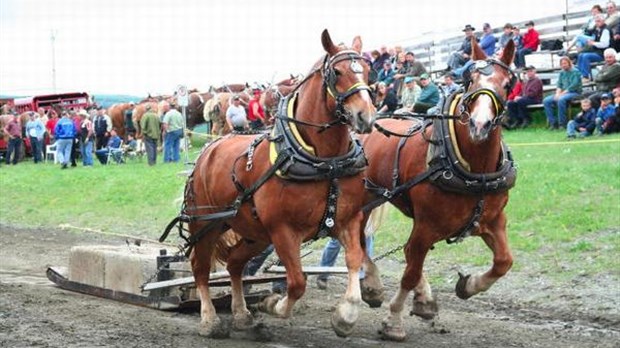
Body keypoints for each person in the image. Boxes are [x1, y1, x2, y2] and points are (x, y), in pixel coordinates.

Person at [315, 207, 385, 290]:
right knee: (335, 243)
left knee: (367, 241)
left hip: (365, 209)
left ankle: (362, 277)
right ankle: (323, 273)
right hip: (348, 211)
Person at [543, 57, 583, 129]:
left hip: (574, 92)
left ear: (569, 63)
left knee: (561, 99)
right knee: (546, 100)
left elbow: (573, 86)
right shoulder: (562, 73)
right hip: (563, 93)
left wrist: (561, 94)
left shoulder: (575, 72)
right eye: (562, 64)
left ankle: (562, 123)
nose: (563, 65)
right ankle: (553, 123)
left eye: (565, 63)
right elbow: (559, 84)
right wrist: (557, 93)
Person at [576, 14, 611, 81]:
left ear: (603, 21)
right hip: (597, 51)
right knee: (580, 55)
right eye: (596, 21)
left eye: (599, 21)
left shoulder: (605, 30)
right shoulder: (597, 29)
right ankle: (581, 75)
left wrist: (593, 43)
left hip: (603, 54)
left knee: (586, 56)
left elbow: (605, 44)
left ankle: (586, 76)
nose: (597, 23)